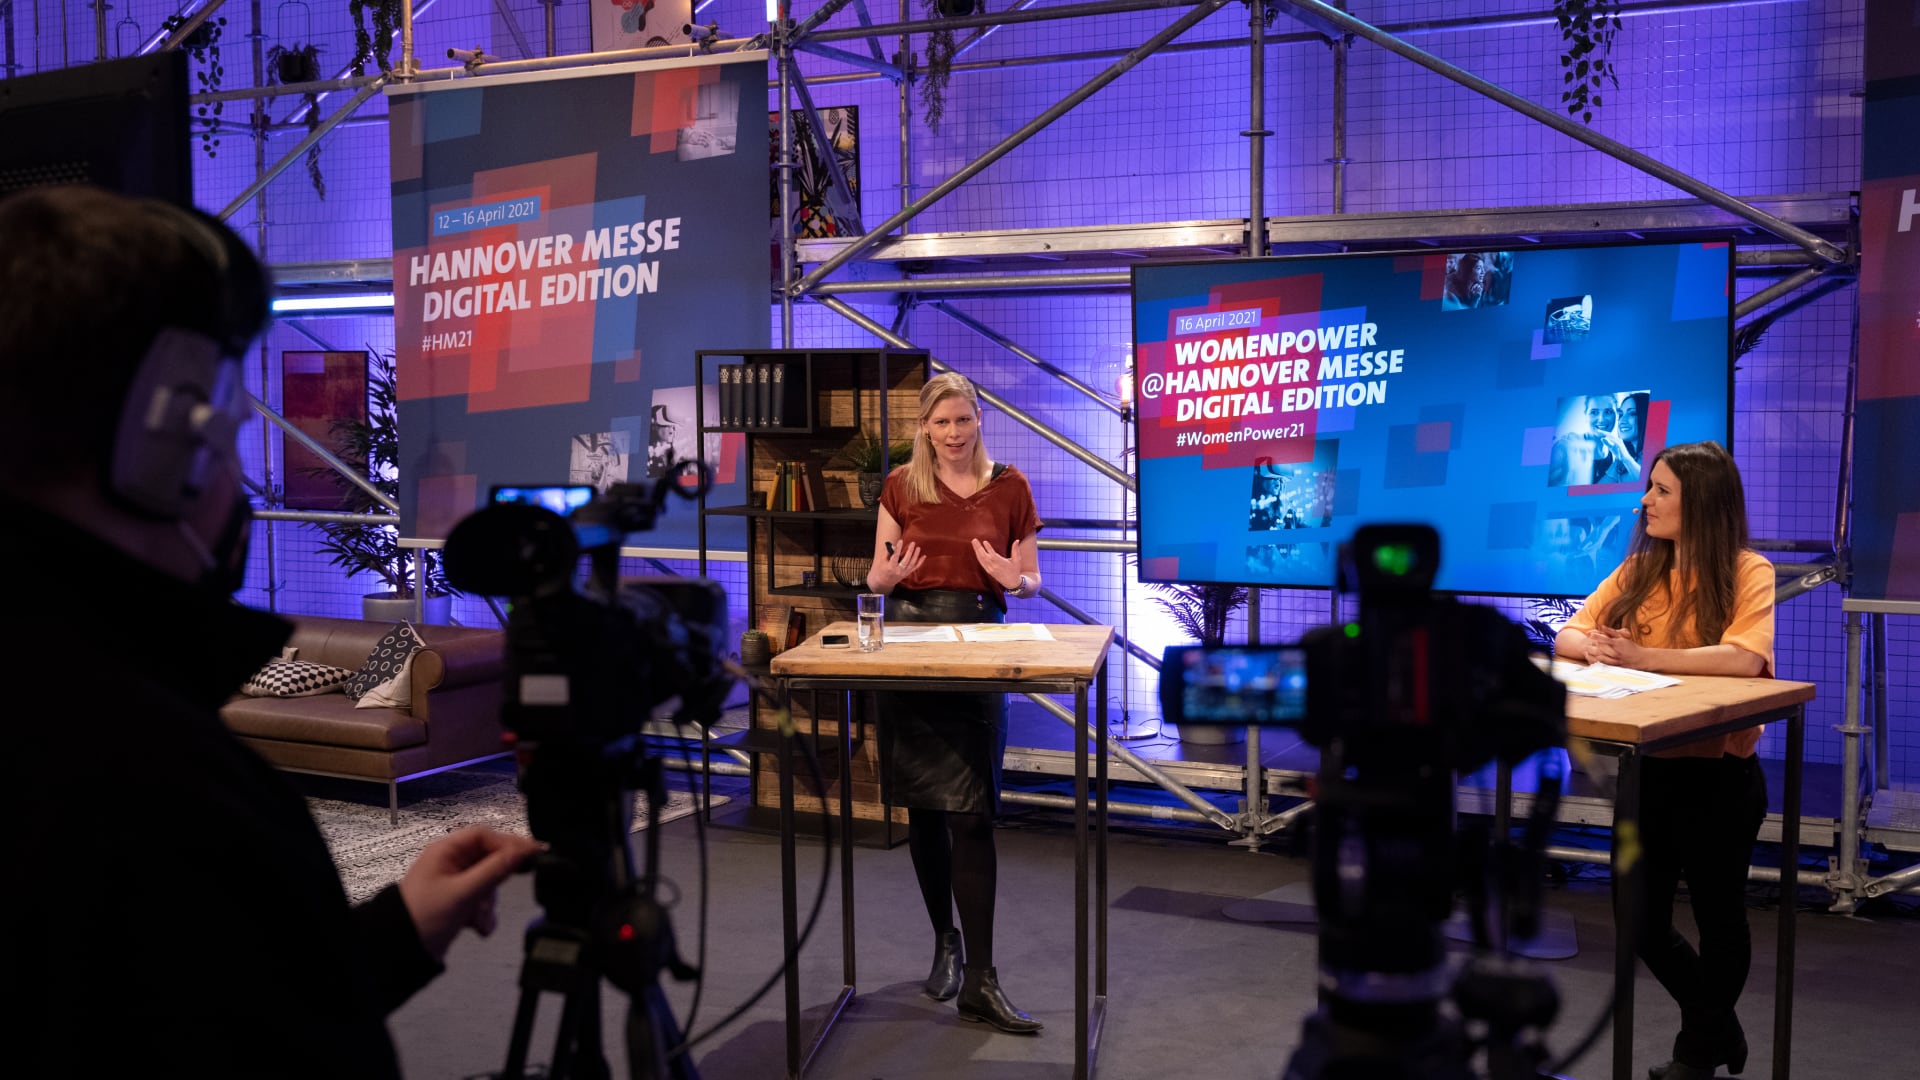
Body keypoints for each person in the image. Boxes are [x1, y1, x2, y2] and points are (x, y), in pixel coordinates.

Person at [0, 186, 542, 1077]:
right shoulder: (161, 793)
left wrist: (398, 931)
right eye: (226, 434)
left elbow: (204, 1003)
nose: (238, 478)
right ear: (164, 449)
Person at [1554, 441, 1774, 1080]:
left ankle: (1696, 1053)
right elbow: (1569, 633)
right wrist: (1597, 648)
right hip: (1648, 768)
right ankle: (1719, 1027)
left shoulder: (1748, 570)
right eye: (1650, 487)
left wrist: (1644, 658)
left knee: (1719, 918)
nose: (1645, 501)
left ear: (1699, 502)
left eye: (1661, 490)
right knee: (1640, 922)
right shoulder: (1641, 569)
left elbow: (1743, 658)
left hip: (1719, 774)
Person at [862, 372, 1045, 1034]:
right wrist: (884, 578)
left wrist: (1016, 581)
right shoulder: (899, 486)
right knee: (925, 811)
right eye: (940, 422)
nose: (953, 432)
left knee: (972, 815)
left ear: (979, 418)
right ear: (924, 427)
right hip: (912, 647)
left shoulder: (1011, 486)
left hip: (979, 648)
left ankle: (981, 980)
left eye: (963, 419)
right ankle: (946, 941)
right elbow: (876, 575)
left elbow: (1031, 577)